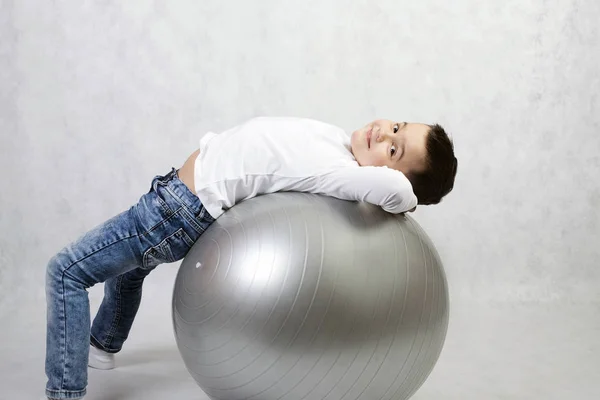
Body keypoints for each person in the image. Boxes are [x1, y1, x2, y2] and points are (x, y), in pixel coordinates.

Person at [44, 116, 457, 399]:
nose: (384, 133)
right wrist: (392, 155)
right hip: (172, 196)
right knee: (129, 272)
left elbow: (399, 193)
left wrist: (405, 188)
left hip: (176, 212)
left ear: (389, 174)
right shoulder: (341, 148)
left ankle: (65, 391)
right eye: (397, 126)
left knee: (65, 272)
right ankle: (102, 343)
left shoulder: (346, 175)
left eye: (394, 150)